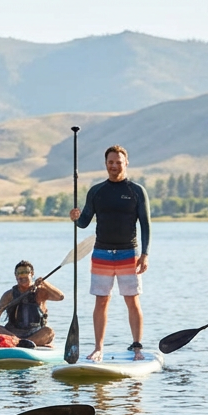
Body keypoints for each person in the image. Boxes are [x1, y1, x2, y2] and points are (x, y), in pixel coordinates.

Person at [68, 144, 152, 361]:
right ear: (106, 164)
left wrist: (145, 254)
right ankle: (98, 348)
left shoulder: (136, 191)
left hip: (128, 253)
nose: (114, 166)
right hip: (102, 253)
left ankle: (137, 348)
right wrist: (76, 217)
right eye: (110, 162)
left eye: (118, 162)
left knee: (132, 300)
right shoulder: (97, 191)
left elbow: (145, 223)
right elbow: (85, 222)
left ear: (126, 163)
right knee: (101, 301)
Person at [0, 260, 65, 347]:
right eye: (19, 273)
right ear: (15, 276)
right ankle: (19, 342)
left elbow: (60, 297)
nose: (22, 276)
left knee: (49, 331)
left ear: (32, 274)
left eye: (25, 272)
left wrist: (45, 283)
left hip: (34, 333)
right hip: (12, 333)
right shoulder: (8, 295)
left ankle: (26, 343)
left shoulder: (40, 292)